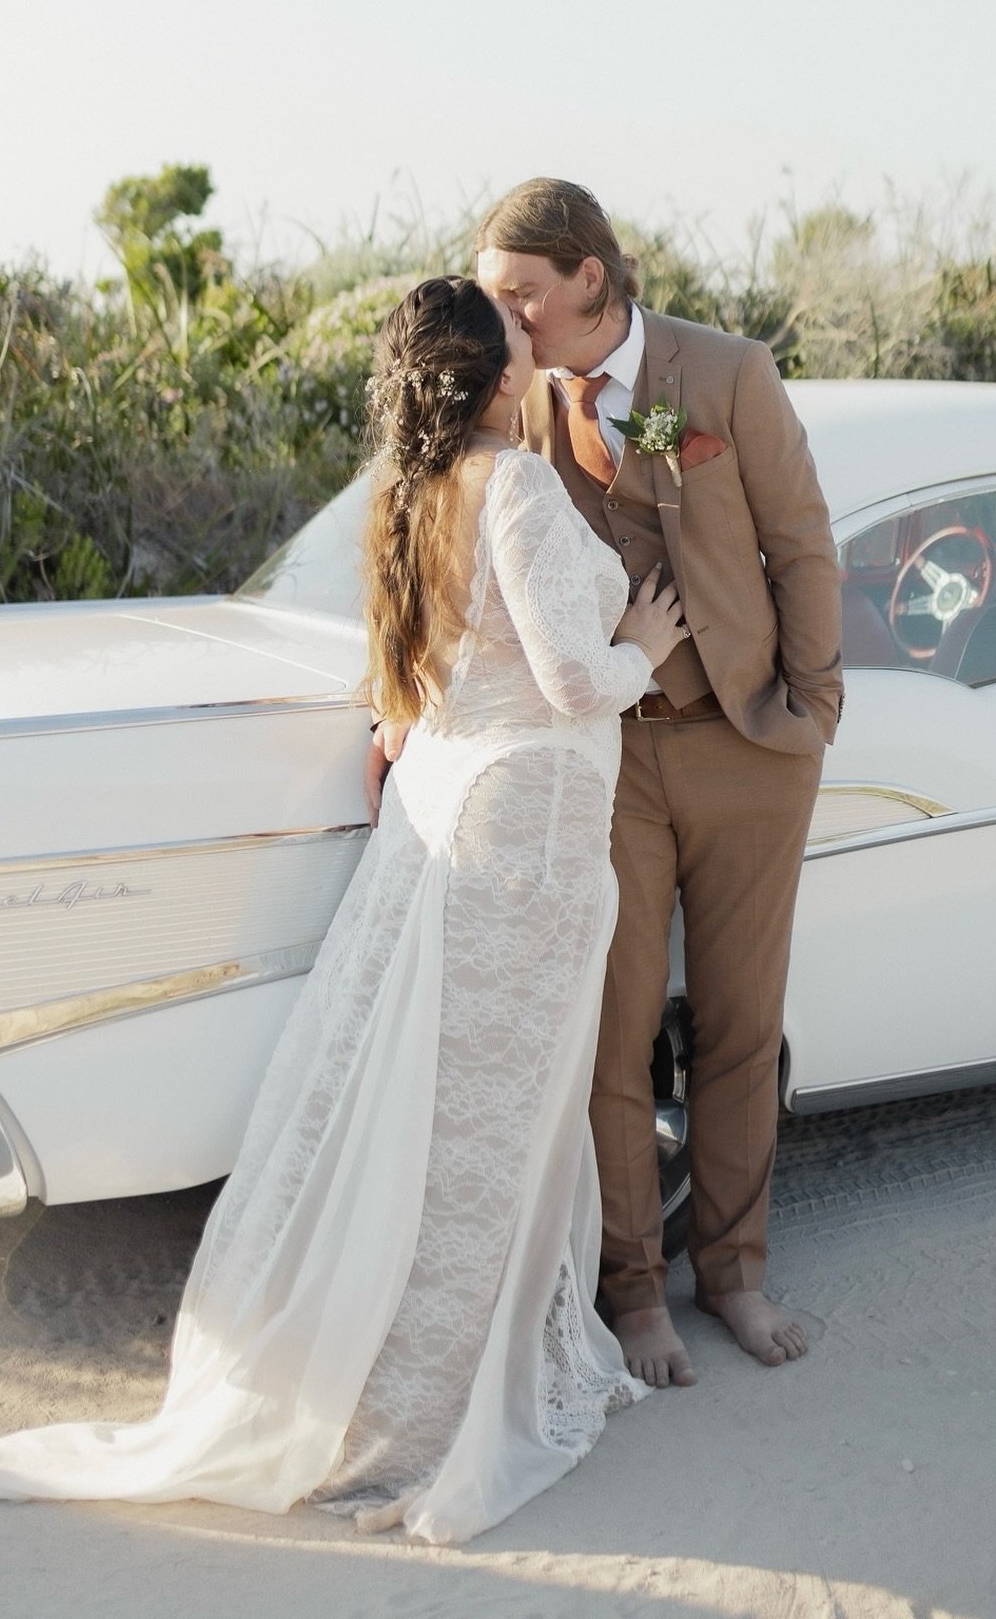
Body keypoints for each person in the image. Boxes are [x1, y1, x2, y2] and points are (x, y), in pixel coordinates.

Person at [0, 276, 687, 1543]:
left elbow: (433, 673)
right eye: (520, 337)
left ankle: (372, 1380)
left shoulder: (413, 493)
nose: (537, 344)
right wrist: (650, 646)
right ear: (498, 376)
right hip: (528, 838)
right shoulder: (508, 484)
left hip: (470, 810)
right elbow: (567, 678)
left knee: (434, 1123)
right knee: (484, 1134)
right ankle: (421, 1412)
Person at [370, 182, 844, 1389]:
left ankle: (734, 1275)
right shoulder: (512, 401)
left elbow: (800, 542)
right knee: (615, 1036)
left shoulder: (723, 372)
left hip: (747, 747)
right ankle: (634, 1295)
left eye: (520, 287)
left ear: (591, 277)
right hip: (606, 764)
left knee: (743, 1029)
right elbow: (444, 541)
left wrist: (812, 706)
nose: (501, 309)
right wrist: (394, 705)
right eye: (490, 290)